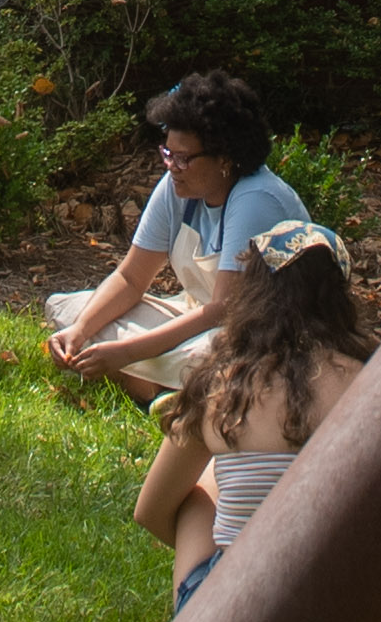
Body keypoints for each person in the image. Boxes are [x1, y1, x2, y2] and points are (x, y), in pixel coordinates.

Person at [134, 216, 368, 612]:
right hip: (342, 607)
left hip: (230, 617)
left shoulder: (222, 384)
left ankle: (200, 611)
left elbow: (150, 511)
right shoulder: (370, 381)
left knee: (203, 486)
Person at [46, 69, 319, 401]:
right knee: (68, 308)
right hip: (199, 318)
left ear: (225, 159)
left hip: (263, 337)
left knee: (218, 362)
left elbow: (224, 310)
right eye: (167, 154)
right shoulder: (177, 186)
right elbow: (132, 278)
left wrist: (127, 353)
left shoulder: (255, 199)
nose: (171, 166)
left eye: (184, 158)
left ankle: (163, 386)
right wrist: (79, 331)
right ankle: (166, 388)